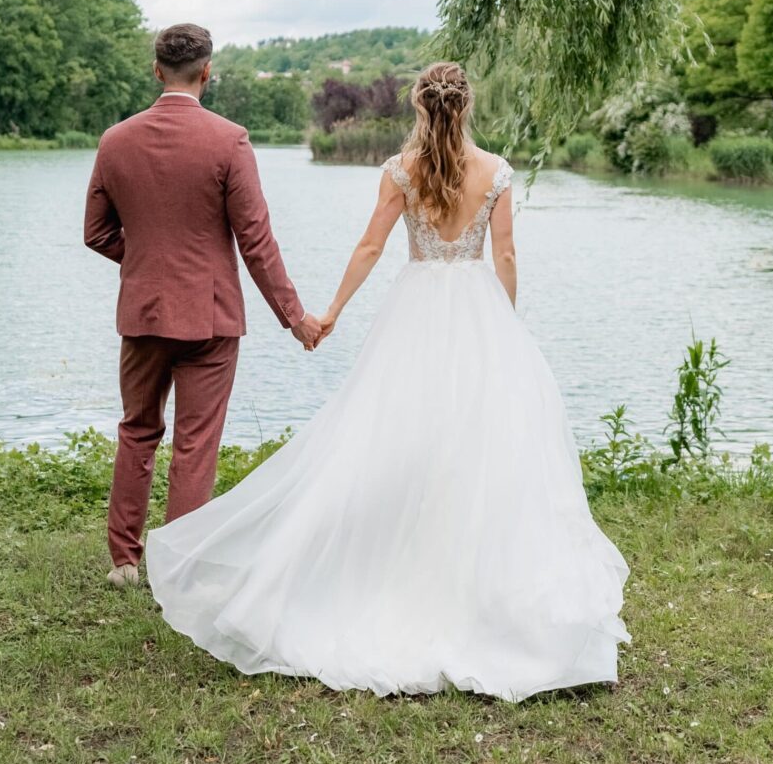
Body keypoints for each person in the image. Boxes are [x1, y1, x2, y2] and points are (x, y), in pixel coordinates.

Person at [145, 61, 630, 700]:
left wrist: (331, 313)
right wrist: (504, 325)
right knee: (485, 445)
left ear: (419, 108)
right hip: (478, 309)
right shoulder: (497, 172)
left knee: (394, 433)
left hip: (418, 308)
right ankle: (471, 582)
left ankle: (399, 570)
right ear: (467, 105)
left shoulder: (401, 171)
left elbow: (371, 248)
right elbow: (506, 256)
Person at [84, 23, 320, 588]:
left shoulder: (115, 140)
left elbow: (96, 232)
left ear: (156, 70)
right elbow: (256, 242)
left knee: (137, 430)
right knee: (196, 443)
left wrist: (144, 262)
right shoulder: (229, 140)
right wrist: (296, 318)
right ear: (207, 71)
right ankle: (178, 567)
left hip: (143, 313)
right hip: (211, 318)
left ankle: (124, 561)